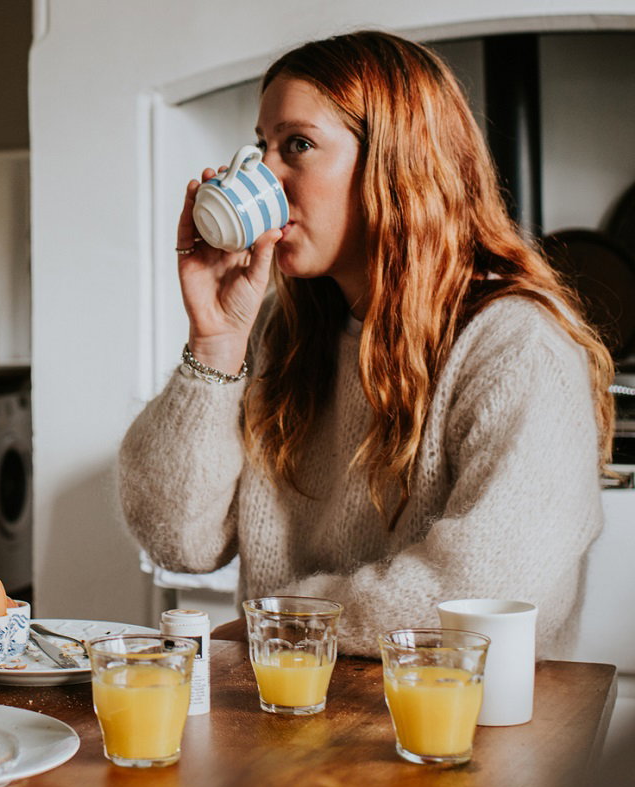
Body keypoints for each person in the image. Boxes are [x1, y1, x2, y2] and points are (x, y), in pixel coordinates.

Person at [119, 30, 614, 658]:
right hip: (287, 706)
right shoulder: (279, 333)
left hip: (455, 714)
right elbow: (178, 542)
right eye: (262, 145)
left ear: (396, 163)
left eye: (298, 145)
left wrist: (280, 623)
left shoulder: (516, 347)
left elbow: (485, 590)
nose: (263, 174)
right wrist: (214, 344)